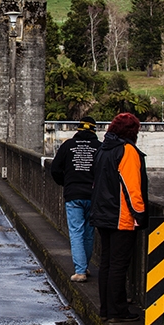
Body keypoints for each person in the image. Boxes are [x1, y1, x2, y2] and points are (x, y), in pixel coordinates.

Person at [90, 112, 147, 322]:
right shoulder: (127, 151)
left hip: (102, 213)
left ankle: (105, 309)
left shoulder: (103, 150)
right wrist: (139, 214)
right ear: (132, 132)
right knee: (118, 265)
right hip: (120, 215)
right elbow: (132, 187)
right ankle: (118, 310)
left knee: (106, 263)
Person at [51, 116, 101, 283]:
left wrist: (66, 183)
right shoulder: (99, 148)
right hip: (93, 196)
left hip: (73, 195)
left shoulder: (68, 146)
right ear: (94, 130)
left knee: (76, 232)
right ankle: (84, 266)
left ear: (78, 129)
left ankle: (80, 271)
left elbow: (55, 169)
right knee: (88, 232)